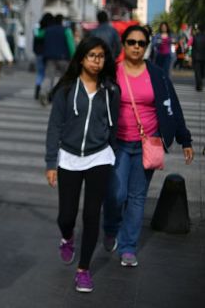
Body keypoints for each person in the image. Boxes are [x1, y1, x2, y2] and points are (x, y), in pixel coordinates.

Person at [103, 25, 194, 267]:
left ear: (146, 46)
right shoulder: (111, 72)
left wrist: (185, 139)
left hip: (147, 143)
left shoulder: (157, 74)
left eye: (141, 43)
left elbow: (171, 105)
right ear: (124, 44)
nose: (136, 47)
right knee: (116, 193)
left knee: (136, 197)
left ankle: (128, 247)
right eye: (131, 42)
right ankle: (111, 227)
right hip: (117, 144)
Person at [44, 36, 119, 293]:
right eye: (92, 56)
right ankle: (67, 237)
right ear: (82, 58)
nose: (97, 62)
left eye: (101, 56)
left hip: (99, 157)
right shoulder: (66, 89)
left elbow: (114, 126)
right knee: (66, 215)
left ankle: (84, 270)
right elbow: (54, 126)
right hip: (69, 156)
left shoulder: (110, 90)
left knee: (90, 215)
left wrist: (113, 154)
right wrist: (51, 162)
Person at [41, 14, 75, 104]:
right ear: (62, 21)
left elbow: (38, 35)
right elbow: (71, 44)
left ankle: (43, 92)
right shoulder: (66, 31)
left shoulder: (47, 30)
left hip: (50, 58)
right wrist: (74, 56)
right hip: (63, 58)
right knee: (64, 78)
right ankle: (60, 96)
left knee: (48, 77)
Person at [34, 13, 54, 100]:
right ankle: (47, 93)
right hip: (47, 55)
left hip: (38, 54)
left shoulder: (37, 30)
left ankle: (37, 92)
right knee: (48, 75)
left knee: (40, 73)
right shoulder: (49, 31)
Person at [191, 25, 205, 91]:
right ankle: (200, 83)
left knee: (197, 72)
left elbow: (193, 48)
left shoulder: (195, 36)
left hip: (196, 57)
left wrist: (192, 57)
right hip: (203, 57)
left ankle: (199, 85)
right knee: (202, 71)